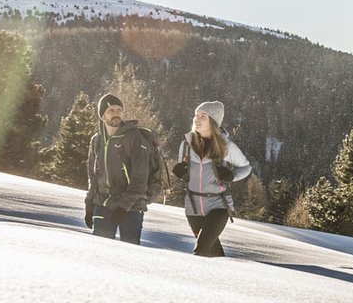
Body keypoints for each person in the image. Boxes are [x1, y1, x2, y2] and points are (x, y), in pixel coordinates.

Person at [174, 99, 254, 257]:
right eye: (196, 115)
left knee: (201, 249)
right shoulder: (186, 144)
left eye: (203, 116)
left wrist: (232, 176)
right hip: (193, 206)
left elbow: (246, 167)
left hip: (219, 205)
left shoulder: (226, 146)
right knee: (212, 252)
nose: (197, 119)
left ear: (213, 120)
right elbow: (184, 169)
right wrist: (181, 171)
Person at [85, 91, 162, 244]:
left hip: (131, 207)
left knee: (129, 255)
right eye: (111, 110)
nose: (116, 114)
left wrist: (123, 206)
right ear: (102, 115)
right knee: (99, 251)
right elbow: (93, 176)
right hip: (103, 204)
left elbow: (140, 178)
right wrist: (89, 205)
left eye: (119, 110)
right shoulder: (96, 140)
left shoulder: (134, 138)